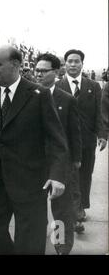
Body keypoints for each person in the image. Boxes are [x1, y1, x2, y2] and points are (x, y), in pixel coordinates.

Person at [0, 45, 68, 254]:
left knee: (30, 243)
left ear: (16, 64)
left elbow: (57, 140)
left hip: (29, 183)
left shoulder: (39, 95)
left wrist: (57, 175)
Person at [35, 53, 82, 254]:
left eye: (43, 71)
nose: (38, 74)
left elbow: (74, 133)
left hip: (60, 163)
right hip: (34, 163)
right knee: (35, 210)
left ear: (56, 73)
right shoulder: (30, 95)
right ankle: (35, 244)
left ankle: (61, 246)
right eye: (37, 70)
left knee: (61, 211)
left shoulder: (67, 100)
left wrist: (76, 161)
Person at [56, 49, 107, 228]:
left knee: (85, 175)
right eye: (69, 61)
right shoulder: (57, 86)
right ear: (65, 64)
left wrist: (102, 135)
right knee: (69, 176)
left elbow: (99, 113)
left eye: (76, 61)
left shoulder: (93, 86)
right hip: (64, 141)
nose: (73, 64)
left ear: (82, 64)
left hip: (87, 140)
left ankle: (80, 207)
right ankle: (75, 213)